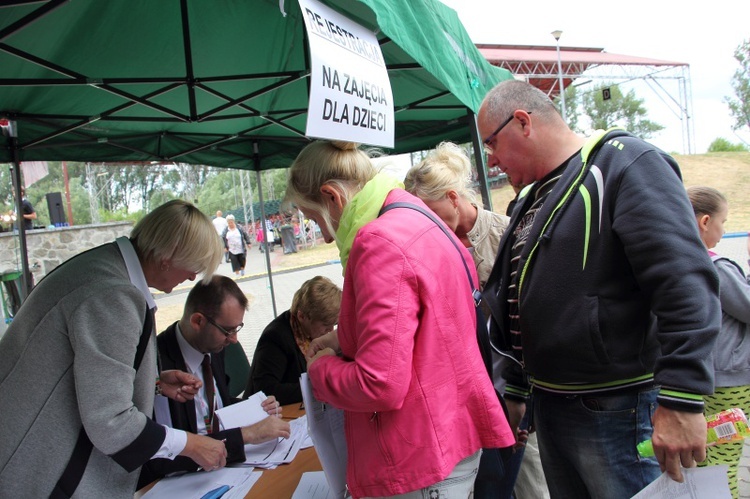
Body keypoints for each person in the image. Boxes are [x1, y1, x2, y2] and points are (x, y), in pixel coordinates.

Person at [479, 80, 720, 498]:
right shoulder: (527, 200)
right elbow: (515, 302)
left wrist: (683, 398)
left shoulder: (623, 163)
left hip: (617, 410)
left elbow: (683, 280)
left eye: (491, 143)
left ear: (522, 122)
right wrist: (516, 387)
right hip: (551, 406)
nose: (492, 160)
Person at [285, 140, 515, 499]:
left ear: (333, 197)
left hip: (418, 460)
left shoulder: (377, 240)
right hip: (448, 441)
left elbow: (378, 384)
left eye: (314, 218)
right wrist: (345, 339)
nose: (325, 235)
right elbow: (425, 328)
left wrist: (320, 370)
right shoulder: (418, 216)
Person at [0, 199, 228, 498]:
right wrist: (191, 444)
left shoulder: (103, 268)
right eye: (194, 265)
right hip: (42, 472)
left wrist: (153, 383)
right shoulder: (113, 294)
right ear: (168, 256)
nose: (192, 276)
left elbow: (82, 373)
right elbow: (111, 421)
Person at [404, 141, 549, 499]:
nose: (425, 220)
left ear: (453, 197)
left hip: (516, 384)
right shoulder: (430, 247)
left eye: (430, 209)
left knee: (531, 479)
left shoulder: (506, 233)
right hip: (470, 392)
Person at [138, 275, 291, 488]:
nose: (234, 340)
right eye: (228, 330)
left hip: (226, 471)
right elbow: (164, 455)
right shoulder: (155, 366)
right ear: (197, 321)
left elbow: (214, 406)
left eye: (238, 329)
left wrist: (257, 408)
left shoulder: (212, 347)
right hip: (180, 484)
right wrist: (247, 434)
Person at [687, 186, 750, 499]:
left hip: (698, 378)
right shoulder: (719, 267)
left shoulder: (678, 262)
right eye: (723, 222)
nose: (724, 232)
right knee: (726, 459)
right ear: (706, 221)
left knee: (705, 456)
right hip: (730, 383)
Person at [246, 276, 342, 405]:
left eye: (334, 324)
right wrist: (318, 387)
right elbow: (266, 390)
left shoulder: (311, 333)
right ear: (302, 316)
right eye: (325, 324)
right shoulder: (275, 338)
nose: (330, 330)